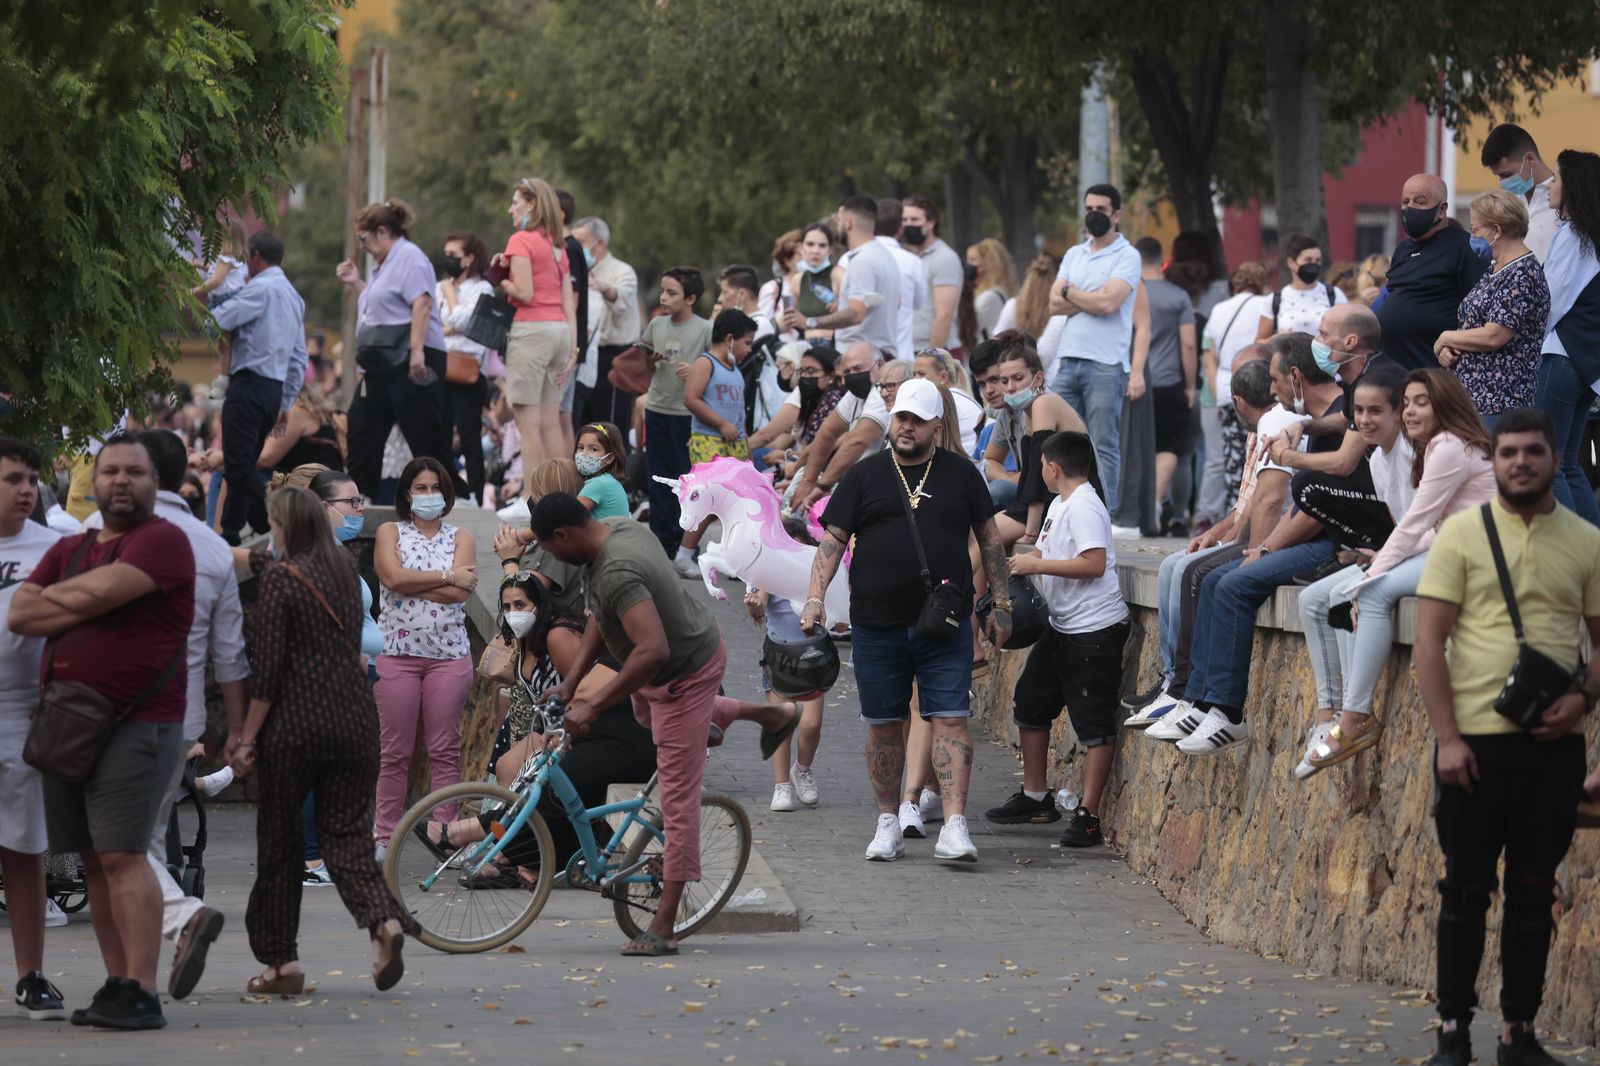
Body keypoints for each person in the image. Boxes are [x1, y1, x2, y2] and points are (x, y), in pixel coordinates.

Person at [532, 494, 804, 955]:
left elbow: (652, 650)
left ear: (564, 535)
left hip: (683, 672)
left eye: (550, 548)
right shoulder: (616, 529)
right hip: (675, 664)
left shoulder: (617, 566)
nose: (552, 559)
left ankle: (664, 926)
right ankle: (769, 714)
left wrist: (592, 707)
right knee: (646, 717)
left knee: (677, 804)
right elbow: (601, 612)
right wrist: (570, 682)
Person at [1412, 408, 1599, 1066]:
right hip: (1474, 747)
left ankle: (1519, 1031)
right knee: (1463, 890)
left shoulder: (1585, 540)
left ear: (1554, 459)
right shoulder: (1461, 534)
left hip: (1552, 748)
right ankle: (1452, 1030)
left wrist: (1582, 697)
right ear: (1493, 463)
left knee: (1532, 891)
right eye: (1510, 452)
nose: (1522, 462)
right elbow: (1429, 646)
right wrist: (1448, 739)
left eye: (1534, 452)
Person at [8, 435, 194, 1030]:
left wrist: (73, 599)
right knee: (91, 860)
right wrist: (89, 599)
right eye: (109, 470)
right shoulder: (74, 547)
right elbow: (21, 613)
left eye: (133, 471)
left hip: (135, 722)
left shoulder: (163, 540)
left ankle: (142, 990)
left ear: (152, 482)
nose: (120, 480)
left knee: (122, 854)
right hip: (67, 725)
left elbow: (66, 599)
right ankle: (117, 984)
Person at [801, 379, 1013, 864]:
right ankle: (887, 822)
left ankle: (955, 825)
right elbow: (832, 542)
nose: (907, 427)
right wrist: (814, 598)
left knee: (952, 721)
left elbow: (991, 541)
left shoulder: (962, 475)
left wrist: (1002, 604)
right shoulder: (866, 474)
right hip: (876, 624)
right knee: (883, 726)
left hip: (945, 622)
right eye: (901, 418)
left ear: (938, 427)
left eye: (918, 420)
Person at [227, 487, 418, 995]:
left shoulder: (281, 580)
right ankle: (384, 923)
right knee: (349, 837)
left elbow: (266, 673)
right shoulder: (344, 573)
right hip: (356, 719)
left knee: (281, 844)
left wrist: (246, 737)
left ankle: (281, 964)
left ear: (284, 525)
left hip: (298, 725)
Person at [81, 431, 244, 1000]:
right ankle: (138, 971)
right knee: (139, 845)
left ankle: (175, 924)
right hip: (182, 718)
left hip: (110, 715)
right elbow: (231, 656)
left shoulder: (102, 536)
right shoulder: (213, 547)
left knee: (121, 850)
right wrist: (238, 731)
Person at [1147, 335, 1344, 754]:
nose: (1271, 391)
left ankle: (1226, 713)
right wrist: (1256, 545)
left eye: (1274, 380)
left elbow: (1301, 507)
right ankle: (1198, 699)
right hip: (1312, 534)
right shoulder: (1308, 420)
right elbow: (1295, 502)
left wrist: (1264, 550)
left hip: (1333, 543)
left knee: (1230, 583)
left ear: (1294, 376)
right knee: (1218, 579)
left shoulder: (1323, 420)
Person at [421, 569, 657, 884]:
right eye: (507, 607)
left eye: (594, 607)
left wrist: (557, 722)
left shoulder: (620, 643)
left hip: (629, 742)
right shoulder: (592, 638)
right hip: (600, 736)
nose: (587, 613)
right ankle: (517, 858)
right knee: (525, 776)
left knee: (550, 790)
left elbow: (585, 691)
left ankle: (474, 836)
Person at [987, 431, 1129, 847]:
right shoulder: (1058, 504)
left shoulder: (1084, 504)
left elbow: (1094, 564)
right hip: (1064, 625)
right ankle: (1035, 797)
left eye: (1041, 466)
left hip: (1094, 630)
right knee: (1030, 702)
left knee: (1094, 724)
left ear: (1052, 466)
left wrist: (1035, 563)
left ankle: (1089, 815)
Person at [371, 457, 477, 855]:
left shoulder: (461, 536)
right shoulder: (389, 531)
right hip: (396, 654)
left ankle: (445, 831)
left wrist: (411, 584)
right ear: (406, 494)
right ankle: (384, 835)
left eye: (435, 488)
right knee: (394, 751)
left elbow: (461, 594)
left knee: (444, 749)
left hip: (448, 657)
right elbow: (391, 577)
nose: (429, 495)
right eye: (421, 488)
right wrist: (447, 577)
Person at [0, 438, 65, 1020]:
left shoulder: (57, 547)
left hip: (25, 716)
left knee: (24, 851)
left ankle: (32, 976)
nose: (26, 488)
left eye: (31, 479)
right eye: (12, 479)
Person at [337, 199, 464, 501]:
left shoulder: (410, 256)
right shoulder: (384, 265)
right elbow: (384, 304)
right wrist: (357, 283)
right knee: (362, 426)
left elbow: (421, 302)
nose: (362, 246)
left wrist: (417, 352)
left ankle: (448, 494)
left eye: (363, 238)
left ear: (382, 231)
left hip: (412, 355)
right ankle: (361, 496)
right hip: (382, 361)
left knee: (424, 432)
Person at [209, 230, 309, 546]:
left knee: (237, 464)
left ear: (255, 256)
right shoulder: (295, 297)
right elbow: (299, 356)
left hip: (249, 384)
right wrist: (285, 403)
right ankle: (230, 532)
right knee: (243, 464)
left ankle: (291, 514)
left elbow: (217, 319)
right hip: (273, 391)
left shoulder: (260, 290)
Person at [1050, 183, 1143, 512]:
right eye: (1089, 208)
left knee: (1103, 444)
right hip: (1068, 358)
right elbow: (1052, 303)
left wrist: (1070, 292)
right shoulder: (1075, 253)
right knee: (1052, 438)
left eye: (1101, 209)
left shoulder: (1128, 255)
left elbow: (1109, 303)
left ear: (1116, 215)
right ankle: (1058, 509)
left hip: (1105, 364)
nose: (1093, 215)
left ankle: (1107, 514)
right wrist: (1090, 295)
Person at [1430, 191, 1549, 427]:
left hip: (1501, 402)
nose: (1472, 236)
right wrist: (1450, 349)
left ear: (1497, 230)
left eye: (1475, 230)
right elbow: (1474, 325)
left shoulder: (1521, 273)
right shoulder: (1496, 269)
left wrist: (1445, 337)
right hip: (1474, 400)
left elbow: (1494, 335)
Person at [1536, 148, 1600, 526]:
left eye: (1556, 179)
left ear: (1574, 186)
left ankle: (1573, 557)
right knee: (1570, 464)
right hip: (1585, 364)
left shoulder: (1573, 236)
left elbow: (1550, 300)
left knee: (1549, 463)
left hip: (1560, 358)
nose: (1549, 186)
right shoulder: (1591, 236)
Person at [495, 178, 577, 471]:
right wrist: (573, 351)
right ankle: (559, 494)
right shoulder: (557, 246)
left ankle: (532, 497)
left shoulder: (520, 240)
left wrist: (502, 278)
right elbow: (569, 302)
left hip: (531, 332)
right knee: (550, 422)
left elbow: (525, 293)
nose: (510, 210)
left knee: (527, 424)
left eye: (515, 203)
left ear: (531, 205)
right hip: (560, 333)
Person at [1375, 174, 1489, 371]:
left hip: (1433, 368)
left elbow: (1478, 312)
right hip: (1392, 367)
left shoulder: (1464, 248)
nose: (1410, 208)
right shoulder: (1402, 250)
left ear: (1442, 210)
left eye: (1420, 202)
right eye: (1405, 201)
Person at [640, 266, 713, 567]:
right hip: (657, 407)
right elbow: (646, 366)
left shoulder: (705, 329)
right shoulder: (656, 325)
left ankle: (686, 546)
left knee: (686, 479)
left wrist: (696, 371)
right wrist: (649, 359)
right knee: (657, 477)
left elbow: (713, 369)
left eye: (672, 292)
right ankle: (660, 544)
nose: (664, 297)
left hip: (687, 414)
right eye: (662, 291)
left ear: (691, 298)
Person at [1132, 237, 1200, 528]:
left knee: (1137, 449)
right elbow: (1188, 345)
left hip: (1133, 382)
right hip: (1169, 382)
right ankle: (1160, 504)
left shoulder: (1128, 294)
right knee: (1172, 448)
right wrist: (1189, 385)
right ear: (1162, 261)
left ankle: (1136, 508)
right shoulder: (1178, 296)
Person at [1199, 262, 1271, 527]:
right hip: (1260, 387)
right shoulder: (1267, 305)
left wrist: (1219, 392)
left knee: (1228, 455)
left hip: (1227, 387)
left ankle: (1229, 512)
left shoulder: (1219, 309)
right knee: (1257, 451)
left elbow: (1209, 354)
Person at [784, 198, 901, 359]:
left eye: (839, 220)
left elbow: (856, 314)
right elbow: (896, 303)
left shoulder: (862, 261)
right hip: (878, 353)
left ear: (848, 223)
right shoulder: (885, 256)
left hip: (862, 358)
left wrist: (811, 322)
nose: (837, 226)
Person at [789, 342, 890, 511]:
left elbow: (858, 441)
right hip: (859, 481)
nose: (853, 376)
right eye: (847, 372)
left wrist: (821, 486)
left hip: (880, 488)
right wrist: (808, 481)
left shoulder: (882, 391)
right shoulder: (855, 395)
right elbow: (828, 431)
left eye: (858, 368)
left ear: (879, 365)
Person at [438, 230, 494, 503]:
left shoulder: (482, 288)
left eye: (454, 255)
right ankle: (449, 490)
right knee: (439, 435)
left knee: (470, 437)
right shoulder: (440, 285)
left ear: (469, 258)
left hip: (468, 372)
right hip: (440, 368)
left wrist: (450, 297)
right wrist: (450, 325)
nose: (448, 259)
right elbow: (438, 325)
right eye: (446, 254)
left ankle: (475, 495)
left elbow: (462, 323)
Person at [574, 217, 642, 428]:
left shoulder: (622, 272)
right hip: (583, 355)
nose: (576, 249)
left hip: (613, 357)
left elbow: (621, 299)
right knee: (580, 425)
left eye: (581, 243)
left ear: (599, 243)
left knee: (609, 428)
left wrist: (602, 287)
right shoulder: (575, 272)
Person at [1480, 123, 1560, 262]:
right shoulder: (1505, 206)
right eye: (1498, 176)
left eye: (1507, 174)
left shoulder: (1566, 201)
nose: (1502, 182)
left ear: (1529, 159)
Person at [901, 197, 963, 356]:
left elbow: (945, 315)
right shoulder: (911, 257)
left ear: (930, 223)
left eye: (914, 219)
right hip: (911, 349)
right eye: (904, 219)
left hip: (938, 351)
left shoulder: (944, 258)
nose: (908, 224)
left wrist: (930, 357)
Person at [1256, 235, 1346, 340]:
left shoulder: (1334, 295)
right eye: (1308, 260)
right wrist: (1277, 339)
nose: (1313, 265)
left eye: (1317, 260)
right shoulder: (1274, 300)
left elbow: (1347, 333)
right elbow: (1259, 342)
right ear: (1291, 263)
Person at [555, 189, 591, 439]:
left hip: (567, 345)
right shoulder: (567, 247)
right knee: (561, 415)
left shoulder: (568, 249)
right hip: (570, 343)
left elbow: (572, 300)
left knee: (557, 415)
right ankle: (566, 476)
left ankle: (558, 477)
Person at [875, 197, 926, 360]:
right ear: (901, 228)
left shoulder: (848, 259)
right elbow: (919, 303)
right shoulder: (912, 262)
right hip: (901, 355)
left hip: (863, 359)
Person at [255, 381, 344, 474]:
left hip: (313, 485)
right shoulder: (306, 407)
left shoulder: (295, 411)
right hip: (317, 483)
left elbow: (265, 459)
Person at [912, 346, 984, 457]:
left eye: (921, 374)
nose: (915, 380)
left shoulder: (944, 400)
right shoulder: (956, 395)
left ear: (943, 377)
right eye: (914, 374)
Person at [784, 222, 844, 340]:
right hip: (805, 345)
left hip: (834, 345)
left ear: (830, 249)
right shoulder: (798, 279)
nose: (815, 251)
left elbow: (855, 313)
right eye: (810, 244)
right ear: (801, 248)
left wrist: (841, 305)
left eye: (822, 245)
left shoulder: (839, 275)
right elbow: (788, 318)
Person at [573, 421, 630, 519]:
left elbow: (567, 516)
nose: (584, 453)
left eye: (594, 449)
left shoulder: (599, 484)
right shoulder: (607, 480)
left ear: (609, 458)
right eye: (580, 447)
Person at [967, 238, 1016, 342]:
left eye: (973, 260)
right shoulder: (1000, 292)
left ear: (987, 264)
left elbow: (966, 329)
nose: (968, 265)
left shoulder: (988, 298)